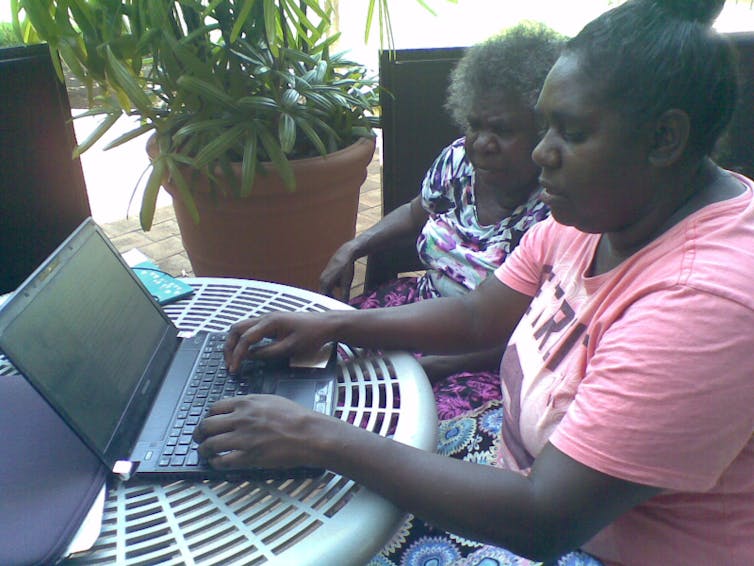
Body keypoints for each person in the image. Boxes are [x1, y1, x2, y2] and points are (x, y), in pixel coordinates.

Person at [194, 0, 754, 564]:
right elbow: (477, 314)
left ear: (664, 139)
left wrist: (317, 437)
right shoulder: (606, 213)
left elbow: (543, 519)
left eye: (571, 133)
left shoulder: (702, 303)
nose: (542, 152)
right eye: (544, 126)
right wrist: (333, 324)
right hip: (518, 468)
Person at [321, 23, 561, 418]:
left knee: (400, 420)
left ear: (543, 132)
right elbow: (417, 211)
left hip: (489, 353)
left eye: (502, 130)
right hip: (422, 304)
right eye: (475, 126)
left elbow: (534, 328)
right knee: (321, 363)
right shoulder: (457, 162)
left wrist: (436, 365)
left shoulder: (556, 210)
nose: (481, 143)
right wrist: (354, 246)